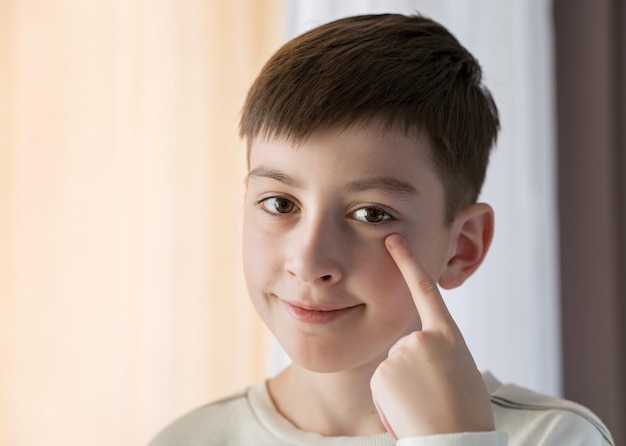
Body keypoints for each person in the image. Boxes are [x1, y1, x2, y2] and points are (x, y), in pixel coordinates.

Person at [148, 13, 614, 445]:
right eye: (280, 203)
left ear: (462, 248)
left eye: (371, 214)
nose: (309, 264)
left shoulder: (556, 436)